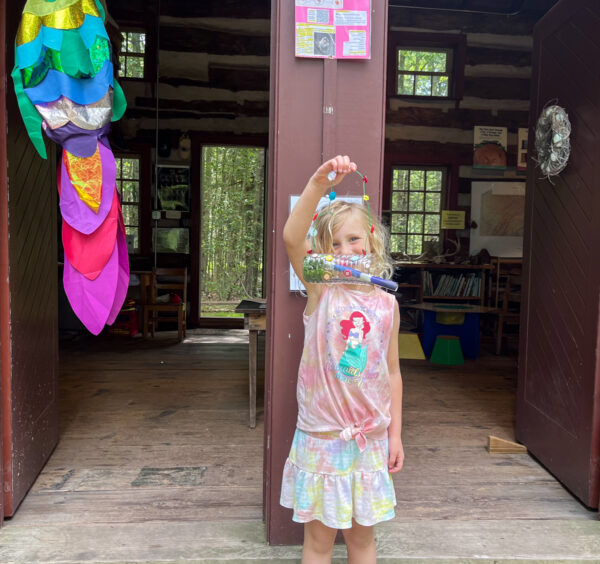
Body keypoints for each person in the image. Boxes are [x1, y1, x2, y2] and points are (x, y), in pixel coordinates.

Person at [280, 155, 404, 564]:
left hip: (369, 439)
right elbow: (291, 238)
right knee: (318, 544)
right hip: (323, 439)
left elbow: (392, 372)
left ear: (371, 238)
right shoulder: (321, 290)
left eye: (352, 239)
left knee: (363, 543)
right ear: (321, 252)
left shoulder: (387, 305)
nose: (345, 249)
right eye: (333, 244)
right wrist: (318, 183)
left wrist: (395, 435)